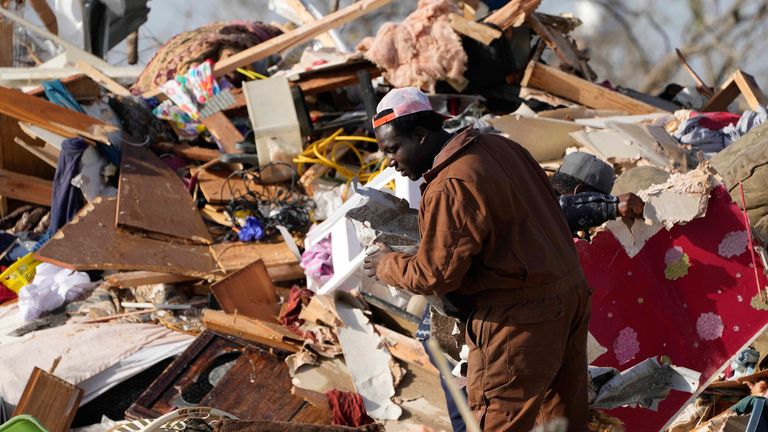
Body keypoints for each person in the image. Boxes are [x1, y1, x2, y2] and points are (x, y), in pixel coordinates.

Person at [363, 87, 591, 432]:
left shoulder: (450, 183)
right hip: (569, 299)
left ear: (421, 135)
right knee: (561, 424)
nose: (390, 162)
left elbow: (433, 275)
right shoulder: (501, 146)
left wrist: (385, 264)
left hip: (520, 322)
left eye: (393, 149)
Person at [551, 152, 645, 236]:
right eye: (597, 198)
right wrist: (611, 206)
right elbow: (557, 211)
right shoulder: (546, 213)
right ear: (580, 192)